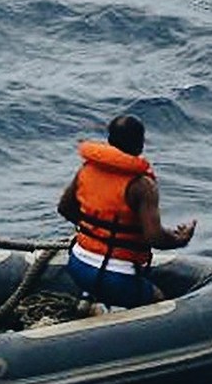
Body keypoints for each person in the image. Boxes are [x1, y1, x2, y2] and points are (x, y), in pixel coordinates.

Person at [57, 115, 195, 307]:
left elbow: (64, 208)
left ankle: (92, 301)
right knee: (158, 301)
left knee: (111, 285)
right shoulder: (142, 185)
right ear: (140, 144)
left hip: (78, 264)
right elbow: (154, 238)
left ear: (110, 140)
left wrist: (96, 232)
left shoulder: (87, 169)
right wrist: (180, 239)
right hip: (115, 275)